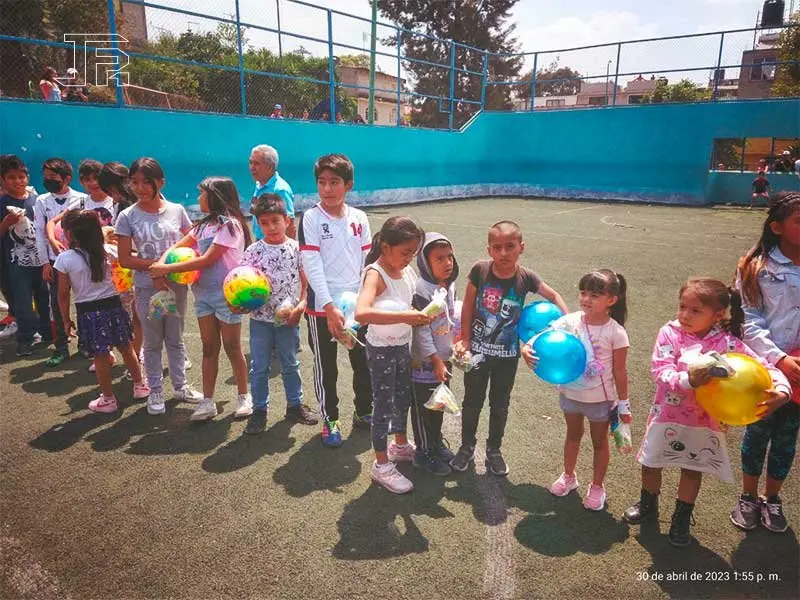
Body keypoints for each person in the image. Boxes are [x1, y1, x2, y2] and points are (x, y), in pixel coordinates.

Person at [622, 278, 790, 547]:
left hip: (704, 423)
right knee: (652, 463)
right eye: (682, 307)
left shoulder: (728, 343)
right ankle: (647, 503)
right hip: (667, 416)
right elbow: (661, 371)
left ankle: (681, 518)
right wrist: (690, 380)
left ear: (718, 315)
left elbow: (763, 367)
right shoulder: (669, 333)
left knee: (692, 469)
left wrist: (782, 390)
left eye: (695, 310)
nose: (685, 315)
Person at [451, 221, 569, 475]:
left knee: (500, 404)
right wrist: (466, 338)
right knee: (472, 401)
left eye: (510, 246)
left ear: (521, 247)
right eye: (497, 247)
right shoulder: (480, 270)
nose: (503, 253)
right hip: (478, 354)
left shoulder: (526, 277)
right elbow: (468, 304)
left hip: (507, 356)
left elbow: (554, 296)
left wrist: (569, 323)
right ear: (489, 250)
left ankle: (494, 450)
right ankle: (466, 447)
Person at [150, 177, 252, 422]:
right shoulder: (201, 226)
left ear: (214, 197)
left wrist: (164, 270)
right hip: (203, 295)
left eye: (202, 194)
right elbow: (177, 246)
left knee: (232, 347)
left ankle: (243, 396)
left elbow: (207, 260)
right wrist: (161, 264)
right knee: (208, 347)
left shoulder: (230, 226)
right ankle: (208, 402)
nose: (198, 198)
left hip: (226, 296)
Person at [531, 270, 630, 510]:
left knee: (599, 442)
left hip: (600, 400)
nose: (586, 299)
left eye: (594, 295)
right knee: (573, 435)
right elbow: (545, 335)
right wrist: (528, 347)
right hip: (571, 393)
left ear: (611, 300)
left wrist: (624, 404)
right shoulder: (572, 320)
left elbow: (620, 371)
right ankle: (569, 476)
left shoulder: (616, 332)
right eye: (583, 293)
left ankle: (597, 486)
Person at [731, 192, 800, 533]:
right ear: (777, 227)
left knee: (787, 439)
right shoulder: (755, 266)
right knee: (757, 433)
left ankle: (772, 499)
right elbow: (748, 320)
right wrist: (779, 358)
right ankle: (748, 496)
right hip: (763, 368)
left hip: (799, 373)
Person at [115, 157, 202, 416]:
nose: (139, 188)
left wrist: (172, 269)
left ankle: (180, 387)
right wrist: (155, 270)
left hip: (175, 287)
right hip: (147, 289)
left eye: (146, 182)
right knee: (152, 342)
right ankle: (155, 391)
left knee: (175, 339)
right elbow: (125, 258)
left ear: (160, 183)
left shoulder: (177, 210)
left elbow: (192, 240)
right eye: (135, 182)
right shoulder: (127, 216)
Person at [299, 154, 373, 447]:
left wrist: (363, 299)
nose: (327, 189)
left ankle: (364, 411)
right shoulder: (311, 218)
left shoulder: (360, 218)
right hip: (322, 308)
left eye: (334, 182)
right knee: (326, 367)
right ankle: (330, 419)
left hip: (356, 306)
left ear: (348, 185)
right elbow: (312, 263)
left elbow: (367, 260)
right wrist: (329, 306)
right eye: (322, 182)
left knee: (363, 361)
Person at [355, 217, 430, 493]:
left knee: (402, 398)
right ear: (385, 247)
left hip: (402, 345)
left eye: (413, 253)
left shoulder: (406, 272)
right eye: (405, 252)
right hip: (381, 351)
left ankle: (399, 445)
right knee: (383, 405)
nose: (409, 259)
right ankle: (381, 465)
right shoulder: (375, 274)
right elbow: (361, 313)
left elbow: (411, 303)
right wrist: (405, 317)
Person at [54, 209, 150, 412]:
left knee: (100, 356)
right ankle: (140, 386)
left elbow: (62, 294)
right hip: (114, 307)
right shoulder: (109, 250)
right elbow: (131, 259)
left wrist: (65, 319)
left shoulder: (65, 259)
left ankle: (108, 399)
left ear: (70, 234)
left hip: (89, 313)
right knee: (126, 348)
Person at [241, 194, 317, 434]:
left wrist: (300, 307)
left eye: (275, 221)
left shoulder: (297, 249)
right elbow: (241, 285)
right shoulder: (253, 251)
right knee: (259, 367)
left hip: (288, 321)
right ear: (258, 224)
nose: (271, 227)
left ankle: (294, 405)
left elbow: (306, 286)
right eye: (264, 223)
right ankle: (259, 411)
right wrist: (240, 304)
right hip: (260, 321)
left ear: (287, 220)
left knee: (290, 364)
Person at [410, 232, 460, 475]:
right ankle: (423, 453)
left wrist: (455, 346)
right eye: (439, 258)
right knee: (423, 410)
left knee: (438, 404)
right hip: (425, 363)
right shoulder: (421, 289)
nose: (447, 263)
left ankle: (436, 444)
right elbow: (421, 330)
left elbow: (449, 320)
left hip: (443, 360)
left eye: (449, 256)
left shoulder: (449, 285)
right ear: (425, 262)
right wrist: (435, 359)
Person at [35, 158, 87, 365]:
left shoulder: (82, 199)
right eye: (45, 176)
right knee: (57, 303)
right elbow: (40, 232)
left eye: (53, 177)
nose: (48, 180)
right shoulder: (41, 201)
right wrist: (44, 263)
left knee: (84, 301)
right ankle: (61, 347)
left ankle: (86, 343)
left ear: (67, 178)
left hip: (81, 260)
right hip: (54, 261)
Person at [0, 155, 49, 355]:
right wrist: (6, 223)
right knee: (23, 303)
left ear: (28, 177)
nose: (18, 181)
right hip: (17, 264)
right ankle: (26, 338)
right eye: (11, 177)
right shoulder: (2, 202)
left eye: (21, 176)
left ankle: (47, 333)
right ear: (2, 180)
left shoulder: (37, 200)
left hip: (42, 260)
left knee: (44, 298)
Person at [98, 161, 141, 374]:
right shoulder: (121, 205)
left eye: (110, 191)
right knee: (135, 313)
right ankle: (136, 354)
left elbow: (135, 238)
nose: (111, 196)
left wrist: (120, 239)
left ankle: (138, 355)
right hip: (127, 265)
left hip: (137, 263)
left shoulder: (133, 205)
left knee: (141, 314)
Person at [248, 145, 296, 240]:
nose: (252, 167)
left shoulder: (280, 190)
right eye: (250, 162)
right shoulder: (260, 184)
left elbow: (290, 225)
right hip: (262, 241)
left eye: (256, 164)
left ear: (270, 167)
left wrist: (287, 247)